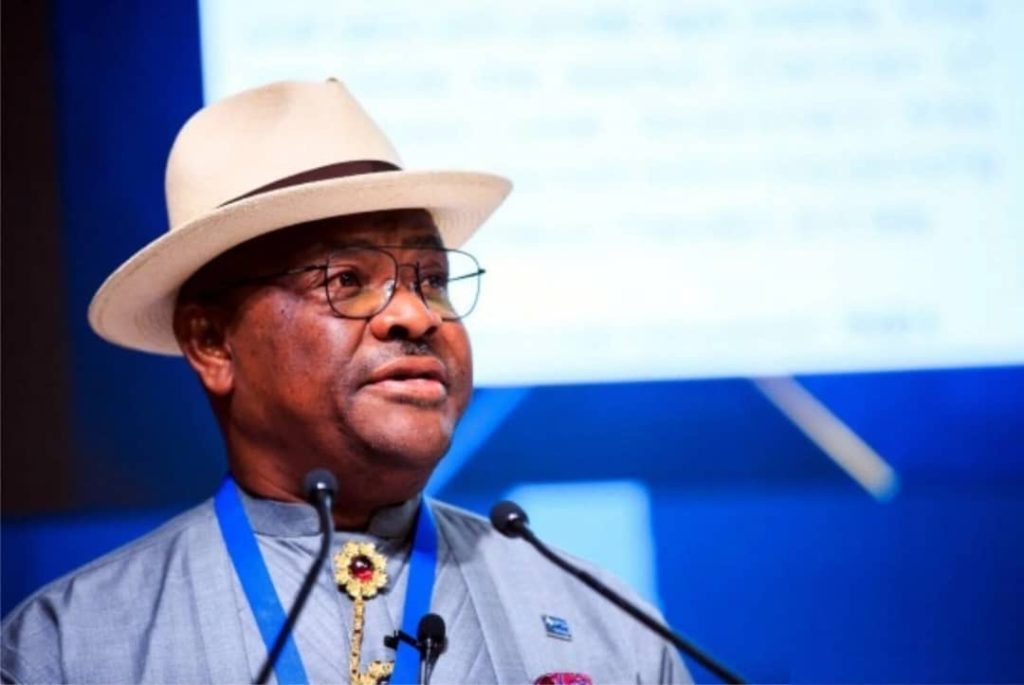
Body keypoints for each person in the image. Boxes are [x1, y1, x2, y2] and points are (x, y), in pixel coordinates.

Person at [1, 79, 689, 684]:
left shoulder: (605, 627)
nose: (417, 314)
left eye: (433, 279)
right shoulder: (66, 648)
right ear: (211, 342)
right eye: (348, 280)